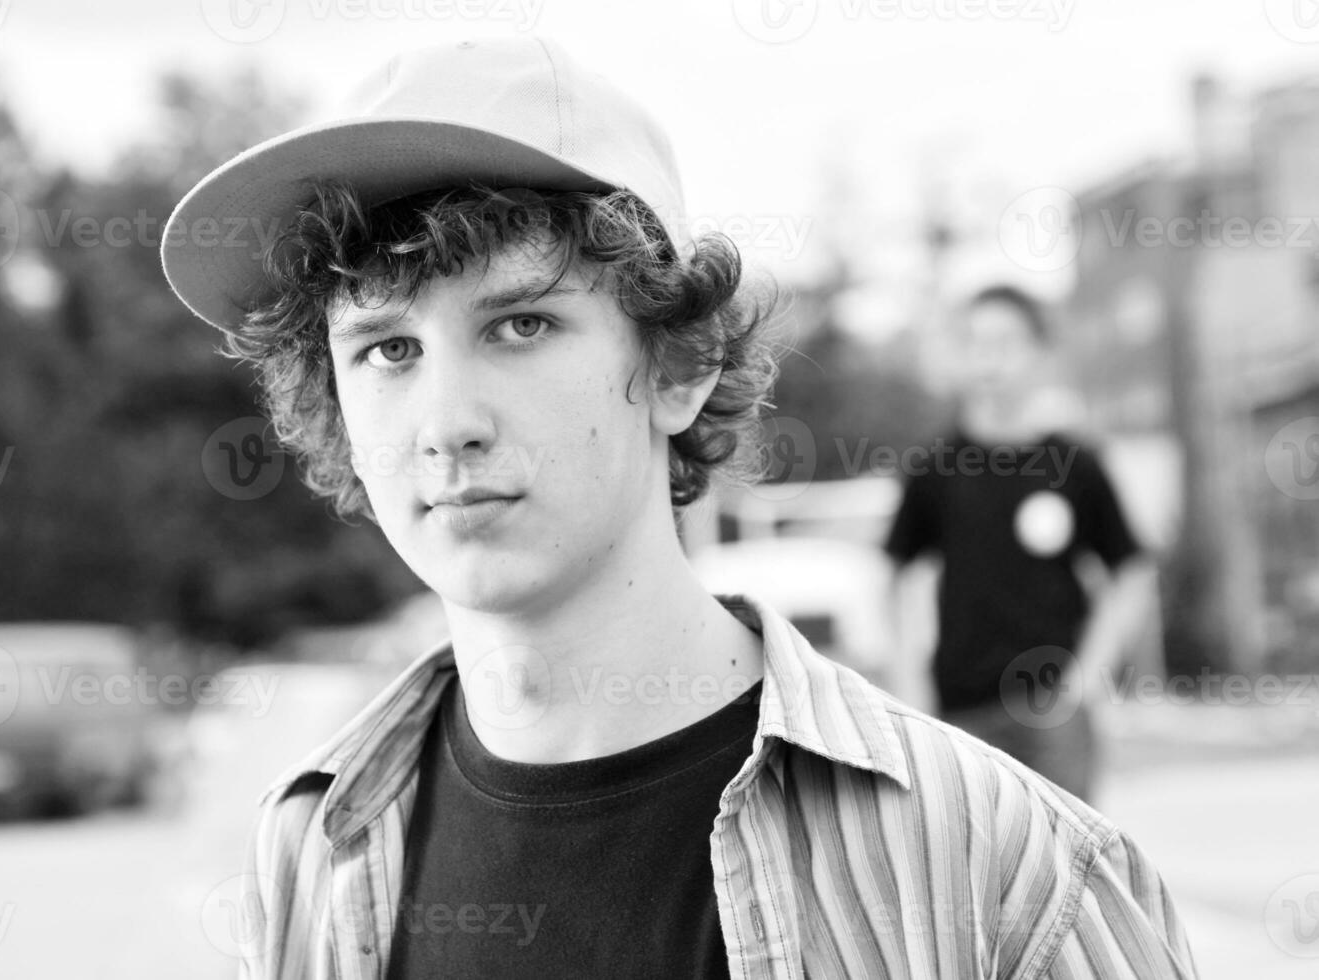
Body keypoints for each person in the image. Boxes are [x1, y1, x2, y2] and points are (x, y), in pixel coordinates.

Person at [162, 37, 1197, 979]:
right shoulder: (314, 846)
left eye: (520, 324)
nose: (446, 423)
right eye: (387, 348)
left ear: (680, 363)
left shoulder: (1008, 874)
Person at [884, 284, 1157, 804]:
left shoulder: (1074, 465)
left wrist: (1089, 677)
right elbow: (895, 576)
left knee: (1065, 873)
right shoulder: (934, 468)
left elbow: (1133, 570)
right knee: (977, 872)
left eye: (1005, 343)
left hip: (1054, 709)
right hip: (960, 710)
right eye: (975, 344)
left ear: (1039, 354)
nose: (990, 361)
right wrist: (909, 683)